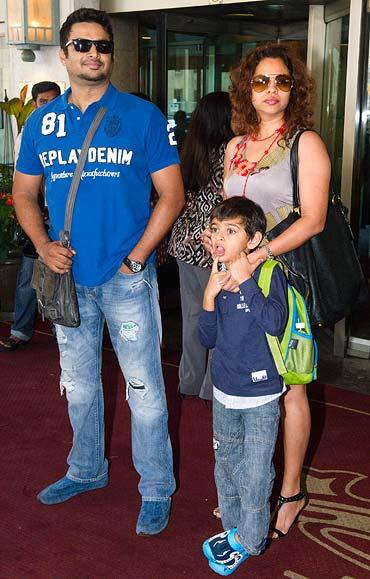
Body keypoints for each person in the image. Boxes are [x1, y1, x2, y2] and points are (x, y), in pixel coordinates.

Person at [12, 7, 184, 536]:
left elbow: (172, 196)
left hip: (127, 279)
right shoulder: (44, 120)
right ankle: (86, 470)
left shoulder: (142, 115)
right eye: (83, 45)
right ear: (64, 55)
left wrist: (136, 258)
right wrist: (41, 246)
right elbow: (24, 193)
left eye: (103, 46)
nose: (94, 54)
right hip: (69, 281)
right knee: (80, 384)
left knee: (144, 388)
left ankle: (155, 488)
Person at [222, 43, 331, 538]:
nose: (271, 90)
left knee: (289, 386)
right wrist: (223, 262)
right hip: (238, 279)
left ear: (294, 88)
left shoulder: (305, 142)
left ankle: (290, 489)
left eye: (282, 81)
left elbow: (314, 219)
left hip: (284, 279)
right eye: (262, 81)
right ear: (247, 86)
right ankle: (246, 488)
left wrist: (258, 256)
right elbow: (230, 220)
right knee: (243, 383)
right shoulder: (235, 146)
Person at [199, 196, 288, 576]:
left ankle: (251, 540)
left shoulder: (270, 274)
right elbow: (207, 339)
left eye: (231, 231)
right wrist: (209, 295)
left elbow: (274, 322)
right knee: (226, 464)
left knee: (255, 470)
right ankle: (234, 529)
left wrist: (246, 279)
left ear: (253, 240)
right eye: (216, 229)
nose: (219, 238)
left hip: (261, 395)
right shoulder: (217, 273)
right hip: (224, 389)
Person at [168, 92, 233, 400]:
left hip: (184, 243)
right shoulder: (230, 152)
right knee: (217, 318)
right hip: (213, 246)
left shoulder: (191, 150)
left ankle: (189, 381)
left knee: (193, 317)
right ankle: (210, 388)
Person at [0, 81, 61, 352]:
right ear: (34, 104)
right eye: (42, 101)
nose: (47, 107)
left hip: (64, 214)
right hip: (37, 213)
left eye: (53, 101)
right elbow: (22, 184)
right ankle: (20, 330)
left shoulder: (70, 128)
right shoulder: (28, 133)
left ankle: (65, 331)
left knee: (65, 275)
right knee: (28, 272)